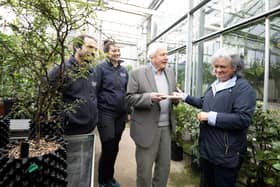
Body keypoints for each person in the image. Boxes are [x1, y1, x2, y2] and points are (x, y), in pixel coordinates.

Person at [178, 47, 256, 187]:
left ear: (234, 68)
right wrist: (184, 97)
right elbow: (204, 102)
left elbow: (243, 119)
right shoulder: (215, 84)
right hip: (208, 150)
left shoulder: (243, 89)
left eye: (223, 67)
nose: (218, 70)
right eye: (216, 66)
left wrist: (210, 117)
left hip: (226, 153)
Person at [126, 42, 179, 187]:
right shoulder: (137, 73)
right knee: (145, 170)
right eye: (163, 54)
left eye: (167, 54)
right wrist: (149, 98)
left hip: (166, 128)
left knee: (164, 168)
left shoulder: (170, 73)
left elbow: (173, 96)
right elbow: (129, 98)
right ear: (152, 57)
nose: (166, 57)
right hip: (146, 129)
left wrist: (175, 98)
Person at [48, 34, 98, 135]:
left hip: (89, 128)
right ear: (77, 47)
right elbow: (46, 94)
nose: (93, 52)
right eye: (90, 47)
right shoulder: (62, 70)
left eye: (95, 49)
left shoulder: (92, 71)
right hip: (68, 130)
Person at [95, 39, 128, 187]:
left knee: (115, 146)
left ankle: (110, 177)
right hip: (105, 113)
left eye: (118, 50)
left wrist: (128, 111)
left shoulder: (124, 70)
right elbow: (94, 91)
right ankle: (102, 180)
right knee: (108, 146)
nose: (117, 53)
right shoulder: (100, 69)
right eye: (114, 50)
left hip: (120, 114)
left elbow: (127, 92)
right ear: (107, 53)